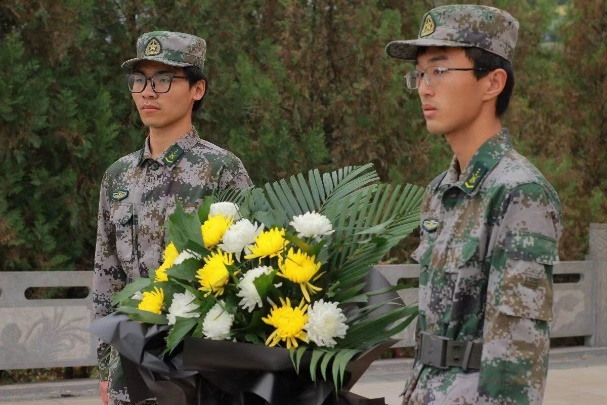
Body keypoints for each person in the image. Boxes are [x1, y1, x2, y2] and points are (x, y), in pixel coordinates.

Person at [386, 5, 562, 404]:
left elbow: (517, 361)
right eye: (420, 74)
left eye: (440, 70)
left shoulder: (520, 193)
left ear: (492, 82)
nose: (424, 88)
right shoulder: (441, 190)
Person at [93, 31, 252, 405]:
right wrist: (104, 366)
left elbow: (249, 268)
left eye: (163, 79)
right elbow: (107, 275)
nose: (148, 92)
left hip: (198, 369)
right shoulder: (118, 176)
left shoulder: (221, 169)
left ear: (198, 89)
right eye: (139, 80)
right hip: (129, 366)